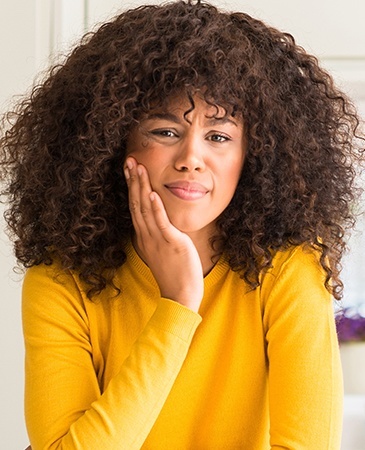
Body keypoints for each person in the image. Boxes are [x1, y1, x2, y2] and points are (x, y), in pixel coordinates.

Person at [1, 1, 364, 448]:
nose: (192, 159)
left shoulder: (289, 268)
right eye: (166, 131)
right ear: (113, 141)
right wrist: (177, 306)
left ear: (253, 155)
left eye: (219, 136)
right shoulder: (60, 281)